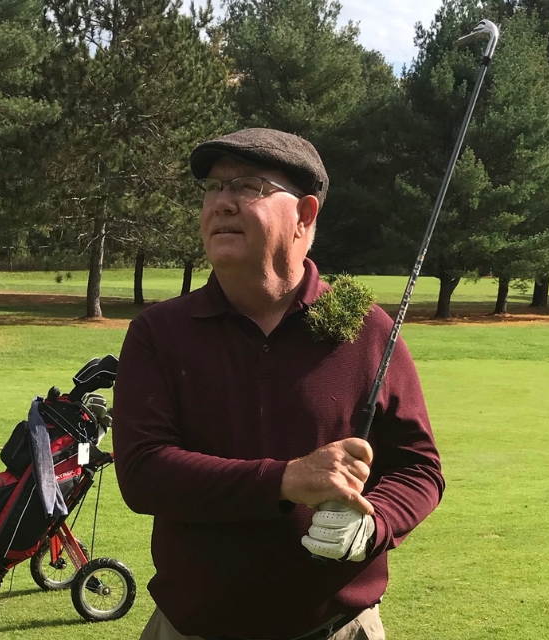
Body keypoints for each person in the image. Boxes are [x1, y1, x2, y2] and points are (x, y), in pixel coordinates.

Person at [112, 128, 444, 640]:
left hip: (338, 629)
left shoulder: (368, 328)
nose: (222, 202)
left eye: (248, 186)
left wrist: (375, 523)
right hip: (192, 628)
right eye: (212, 188)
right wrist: (286, 479)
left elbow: (419, 466)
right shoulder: (159, 333)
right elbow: (143, 473)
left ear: (305, 215)